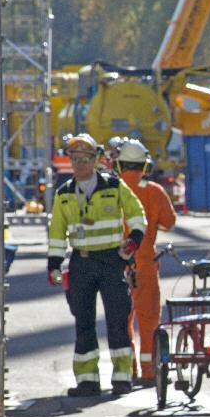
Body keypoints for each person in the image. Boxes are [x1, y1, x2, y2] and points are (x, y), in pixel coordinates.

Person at [47, 133, 146, 397]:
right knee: (84, 322)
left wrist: (134, 239)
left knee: (117, 320)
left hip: (112, 261)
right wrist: (54, 263)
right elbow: (57, 232)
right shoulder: (64, 194)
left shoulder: (114, 186)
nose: (79, 164)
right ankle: (87, 381)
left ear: (95, 160)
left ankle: (122, 378)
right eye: (75, 159)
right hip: (82, 262)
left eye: (85, 159)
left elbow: (137, 214)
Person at [114, 138, 176, 386]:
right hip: (146, 265)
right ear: (145, 166)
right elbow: (169, 223)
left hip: (117, 265)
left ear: (120, 165)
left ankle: (127, 371)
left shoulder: (112, 189)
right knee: (149, 319)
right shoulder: (153, 191)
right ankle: (150, 371)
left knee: (121, 319)